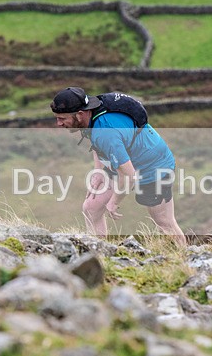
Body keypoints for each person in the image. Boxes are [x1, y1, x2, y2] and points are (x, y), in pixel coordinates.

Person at [51, 87, 186, 246]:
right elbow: (97, 142)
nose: (58, 124)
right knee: (91, 208)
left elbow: (129, 176)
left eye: (62, 118)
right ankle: (98, 253)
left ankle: (186, 258)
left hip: (154, 166)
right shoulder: (91, 115)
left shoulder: (106, 132)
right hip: (123, 161)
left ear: (80, 114)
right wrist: (98, 171)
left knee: (164, 221)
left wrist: (114, 201)